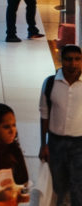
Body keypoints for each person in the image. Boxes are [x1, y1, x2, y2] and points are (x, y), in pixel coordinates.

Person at [39, 45, 82, 206]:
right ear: (61, 60)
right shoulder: (50, 83)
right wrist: (44, 144)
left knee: (78, 186)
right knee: (58, 186)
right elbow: (44, 115)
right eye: (69, 59)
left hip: (80, 144)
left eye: (77, 59)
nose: (73, 63)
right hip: (55, 143)